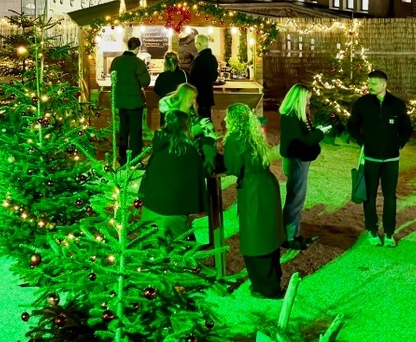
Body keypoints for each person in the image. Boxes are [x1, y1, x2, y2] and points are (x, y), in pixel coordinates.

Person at [223, 103, 286, 299]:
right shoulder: (255, 134)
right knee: (268, 232)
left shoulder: (234, 138)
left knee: (255, 237)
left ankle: (265, 287)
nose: (224, 120)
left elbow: (233, 167)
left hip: (253, 189)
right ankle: (273, 280)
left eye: (227, 117)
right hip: (267, 183)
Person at [347, 70, 413, 248]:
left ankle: (390, 233)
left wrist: (399, 144)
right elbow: (352, 126)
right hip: (370, 158)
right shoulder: (362, 104)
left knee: (390, 196)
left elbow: (407, 128)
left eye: (374, 83)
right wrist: (362, 143)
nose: (370, 86)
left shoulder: (397, 105)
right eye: (369, 82)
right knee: (369, 196)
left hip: (391, 160)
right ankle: (372, 230)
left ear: (384, 84)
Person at [139, 109, 209, 241]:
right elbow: (201, 173)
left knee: (150, 246)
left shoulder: (159, 146)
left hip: (150, 209)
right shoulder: (187, 151)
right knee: (176, 251)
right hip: (174, 211)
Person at [278, 83, 332, 251]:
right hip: (296, 160)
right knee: (295, 198)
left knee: (297, 198)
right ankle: (289, 237)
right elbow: (304, 141)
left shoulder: (298, 114)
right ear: (299, 99)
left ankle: (294, 234)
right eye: (307, 99)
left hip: (299, 159)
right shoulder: (291, 116)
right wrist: (320, 133)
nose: (309, 102)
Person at [109, 36, 150, 166]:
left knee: (123, 130)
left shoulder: (116, 61)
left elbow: (114, 78)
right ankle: (134, 160)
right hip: (134, 104)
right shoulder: (138, 62)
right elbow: (145, 82)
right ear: (137, 48)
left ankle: (122, 158)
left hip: (121, 102)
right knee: (135, 132)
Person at [153, 53, 189, 127]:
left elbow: (156, 89)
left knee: (165, 130)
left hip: (166, 108)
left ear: (165, 62)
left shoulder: (162, 76)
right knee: (181, 131)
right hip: (181, 108)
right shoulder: (185, 74)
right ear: (178, 61)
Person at [189, 34, 219, 120]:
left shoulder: (199, 59)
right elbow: (215, 76)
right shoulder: (213, 58)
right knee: (207, 121)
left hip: (199, 97)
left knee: (200, 123)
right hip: (208, 96)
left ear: (198, 44)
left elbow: (193, 79)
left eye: (195, 43)